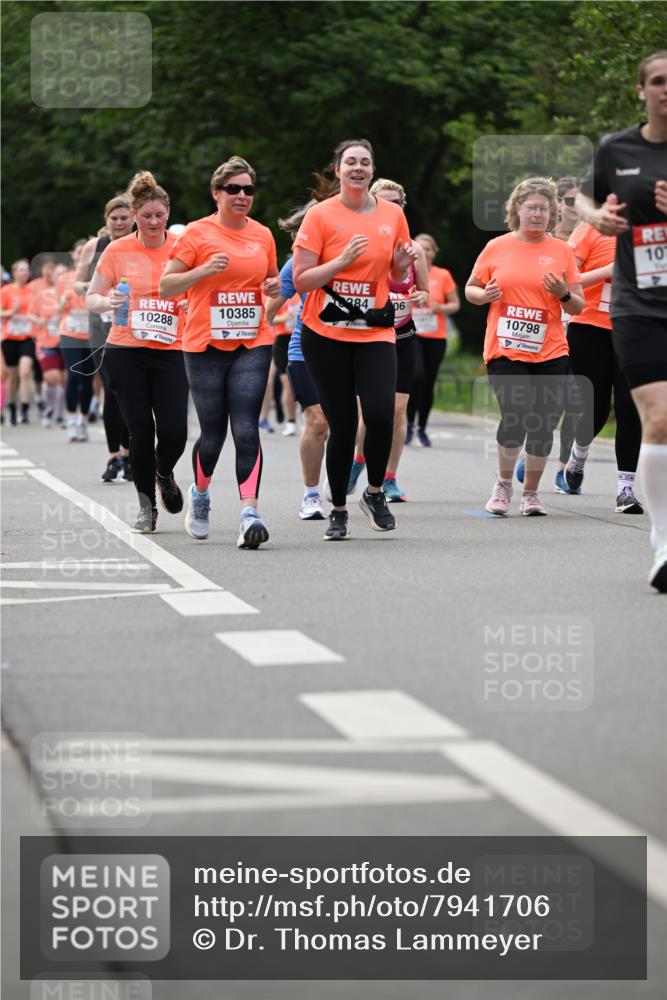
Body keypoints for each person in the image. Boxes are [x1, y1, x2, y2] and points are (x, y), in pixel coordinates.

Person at [576, 50, 667, 590]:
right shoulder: (617, 148)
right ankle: (663, 540)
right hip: (638, 303)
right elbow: (584, 200)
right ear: (641, 90)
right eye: (658, 81)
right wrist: (599, 217)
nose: (666, 89)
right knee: (657, 416)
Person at [292, 139, 413, 540]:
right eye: (350, 162)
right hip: (325, 334)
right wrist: (341, 261)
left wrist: (400, 267)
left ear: (372, 170)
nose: (358, 168)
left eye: (364, 162)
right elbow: (301, 280)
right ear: (338, 170)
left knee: (380, 414)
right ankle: (339, 510)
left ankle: (374, 493)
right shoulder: (320, 216)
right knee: (342, 424)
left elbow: (394, 277)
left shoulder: (393, 214)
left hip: (375, 330)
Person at [160, 155, 280, 549]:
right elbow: (166, 286)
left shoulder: (263, 234)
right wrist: (204, 271)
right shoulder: (197, 233)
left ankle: (250, 513)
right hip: (204, 344)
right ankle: (200, 494)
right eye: (234, 189)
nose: (242, 195)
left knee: (245, 428)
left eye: (248, 189)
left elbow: (271, 280)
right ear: (217, 193)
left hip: (252, 340)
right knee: (212, 435)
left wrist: (273, 288)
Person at [465, 176, 584, 516]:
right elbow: (471, 288)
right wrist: (483, 295)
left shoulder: (562, 251)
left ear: (553, 213)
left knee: (544, 422)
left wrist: (563, 292)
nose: (537, 214)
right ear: (517, 209)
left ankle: (530, 493)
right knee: (516, 414)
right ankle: (503, 485)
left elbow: (578, 305)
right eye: (531, 207)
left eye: (544, 209)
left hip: (550, 350)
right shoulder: (497, 246)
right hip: (505, 349)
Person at [87, 171, 189, 533]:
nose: (154, 222)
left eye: (159, 215)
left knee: (175, 432)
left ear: (168, 213)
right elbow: (92, 296)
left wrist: (190, 303)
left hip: (172, 349)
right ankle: (147, 506)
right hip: (126, 349)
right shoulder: (117, 250)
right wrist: (108, 301)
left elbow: (197, 287)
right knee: (140, 432)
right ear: (134, 216)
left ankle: (164, 472)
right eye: (146, 216)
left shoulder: (182, 247)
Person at [346, 178, 429, 502]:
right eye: (384, 201)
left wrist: (420, 296)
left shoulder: (414, 250)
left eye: (396, 203)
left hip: (403, 335)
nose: (390, 207)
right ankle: (359, 459)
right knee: (371, 410)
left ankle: (389, 478)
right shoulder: (362, 243)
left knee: (397, 410)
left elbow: (424, 290)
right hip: (369, 337)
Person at [273, 201, 329, 520]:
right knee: (318, 421)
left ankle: (343, 474)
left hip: (349, 350)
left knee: (351, 424)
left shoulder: (354, 258)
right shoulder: (295, 264)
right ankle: (311, 495)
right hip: (303, 350)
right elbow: (270, 308)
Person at [76, 194, 134, 482]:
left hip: (133, 325)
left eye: (124, 218)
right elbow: (77, 282)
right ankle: (114, 458)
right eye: (115, 218)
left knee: (130, 391)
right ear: (106, 220)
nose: (119, 223)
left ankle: (128, 454)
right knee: (112, 388)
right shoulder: (95, 246)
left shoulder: (140, 243)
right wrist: (93, 286)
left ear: (132, 218)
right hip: (102, 326)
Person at [406, 233, 460, 447]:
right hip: (412, 335)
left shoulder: (443, 275)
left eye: (428, 248)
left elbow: (455, 304)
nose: (424, 252)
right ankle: (408, 424)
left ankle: (422, 428)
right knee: (416, 378)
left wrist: (440, 308)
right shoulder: (405, 272)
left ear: (434, 252)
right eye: (419, 247)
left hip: (436, 337)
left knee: (428, 383)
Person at [0, 259, 36, 424]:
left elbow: (38, 311)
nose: (25, 273)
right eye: (21, 270)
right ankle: (12, 407)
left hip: (27, 337)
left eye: (27, 270)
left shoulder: (32, 291)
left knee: (25, 372)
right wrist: (10, 313)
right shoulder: (6, 291)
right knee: (12, 376)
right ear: (14, 273)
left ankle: (25, 408)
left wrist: (34, 317)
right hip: (10, 337)